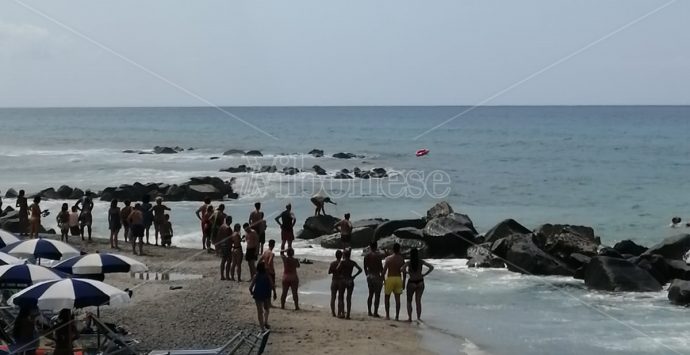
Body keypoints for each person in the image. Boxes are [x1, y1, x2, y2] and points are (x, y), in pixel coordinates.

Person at [401, 247, 434, 322]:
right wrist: (424, 274)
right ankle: (418, 318)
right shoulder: (421, 261)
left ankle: (410, 318)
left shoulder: (409, 262)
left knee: (409, 301)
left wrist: (408, 273)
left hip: (412, 282)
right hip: (420, 282)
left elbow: (401, 269)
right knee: (418, 301)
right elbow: (431, 267)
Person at [336, 248, 362, 319]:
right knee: (349, 298)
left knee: (341, 297)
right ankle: (348, 315)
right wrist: (354, 276)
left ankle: (342, 313)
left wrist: (340, 275)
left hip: (343, 280)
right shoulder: (352, 262)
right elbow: (360, 270)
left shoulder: (342, 262)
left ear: (344, 255)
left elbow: (337, 269)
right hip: (350, 280)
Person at [249, 262, 275, 331]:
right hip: (266, 293)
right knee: (266, 308)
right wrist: (274, 293)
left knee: (259, 311)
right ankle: (265, 322)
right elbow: (272, 285)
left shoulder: (256, 276)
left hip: (257, 294)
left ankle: (262, 328)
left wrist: (252, 292)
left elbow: (250, 287)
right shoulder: (267, 275)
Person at [382, 242, 405, 320]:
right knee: (397, 299)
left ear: (393, 249)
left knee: (387, 297)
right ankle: (397, 317)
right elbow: (404, 271)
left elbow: (384, 271)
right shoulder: (401, 259)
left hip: (390, 278)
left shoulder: (388, 258)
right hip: (398, 279)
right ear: (399, 249)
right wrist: (404, 281)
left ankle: (387, 315)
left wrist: (383, 280)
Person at [364, 241, 385, 317]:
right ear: (376, 246)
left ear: (370, 246)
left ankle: (369, 312)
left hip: (370, 276)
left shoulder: (366, 256)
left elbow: (365, 267)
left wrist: (367, 275)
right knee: (377, 295)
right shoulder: (378, 256)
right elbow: (380, 268)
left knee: (370, 294)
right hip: (376, 276)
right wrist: (383, 278)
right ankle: (375, 312)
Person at [327, 250, 344, 317]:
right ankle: (339, 312)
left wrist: (334, 271)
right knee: (340, 298)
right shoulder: (343, 263)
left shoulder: (333, 263)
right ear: (341, 256)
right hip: (340, 281)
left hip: (334, 280)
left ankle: (333, 312)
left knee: (333, 297)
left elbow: (329, 272)